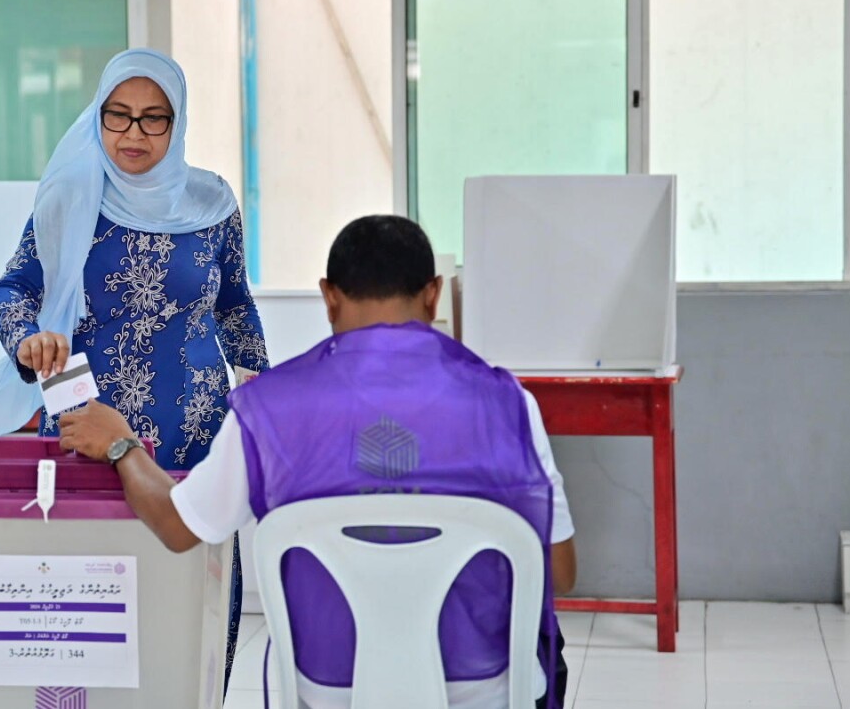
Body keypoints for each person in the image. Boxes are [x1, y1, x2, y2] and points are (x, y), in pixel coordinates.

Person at [59, 214, 576, 709]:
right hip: (483, 691)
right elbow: (560, 570)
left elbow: (176, 527)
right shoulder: (507, 404)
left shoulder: (268, 410)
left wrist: (122, 445)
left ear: (328, 297)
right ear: (433, 294)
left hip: (334, 692)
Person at [0, 48, 270, 678]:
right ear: (97, 118)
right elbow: (14, 289)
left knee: (194, 597)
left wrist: (263, 392)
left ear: (177, 122)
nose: (134, 133)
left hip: (196, 433)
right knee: (90, 603)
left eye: (154, 118)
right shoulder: (72, 199)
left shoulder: (212, 206)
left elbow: (236, 306)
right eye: (119, 115)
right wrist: (26, 338)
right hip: (86, 425)